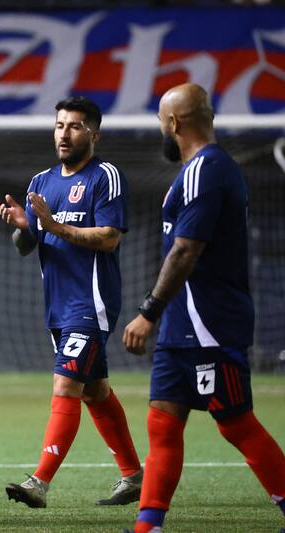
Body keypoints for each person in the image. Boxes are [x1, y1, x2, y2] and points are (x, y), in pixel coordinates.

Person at [122, 83, 285, 533]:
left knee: (235, 422)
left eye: (161, 121)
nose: (162, 129)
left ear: (174, 123)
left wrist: (148, 311)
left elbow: (185, 250)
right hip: (184, 324)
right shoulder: (200, 170)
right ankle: (148, 525)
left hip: (208, 322)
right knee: (163, 421)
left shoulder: (207, 169)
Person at [0, 96, 142, 509]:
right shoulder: (41, 182)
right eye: (60, 124)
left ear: (93, 133)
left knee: (66, 385)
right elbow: (27, 246)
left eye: (75, 126)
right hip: (57, 305)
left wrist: (54, 225)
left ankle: (38, 482)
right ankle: (133, 476)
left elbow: (110, 236)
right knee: (95, 391)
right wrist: (24, 227)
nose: (64, 132)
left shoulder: (105, 176)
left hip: (90, 302)